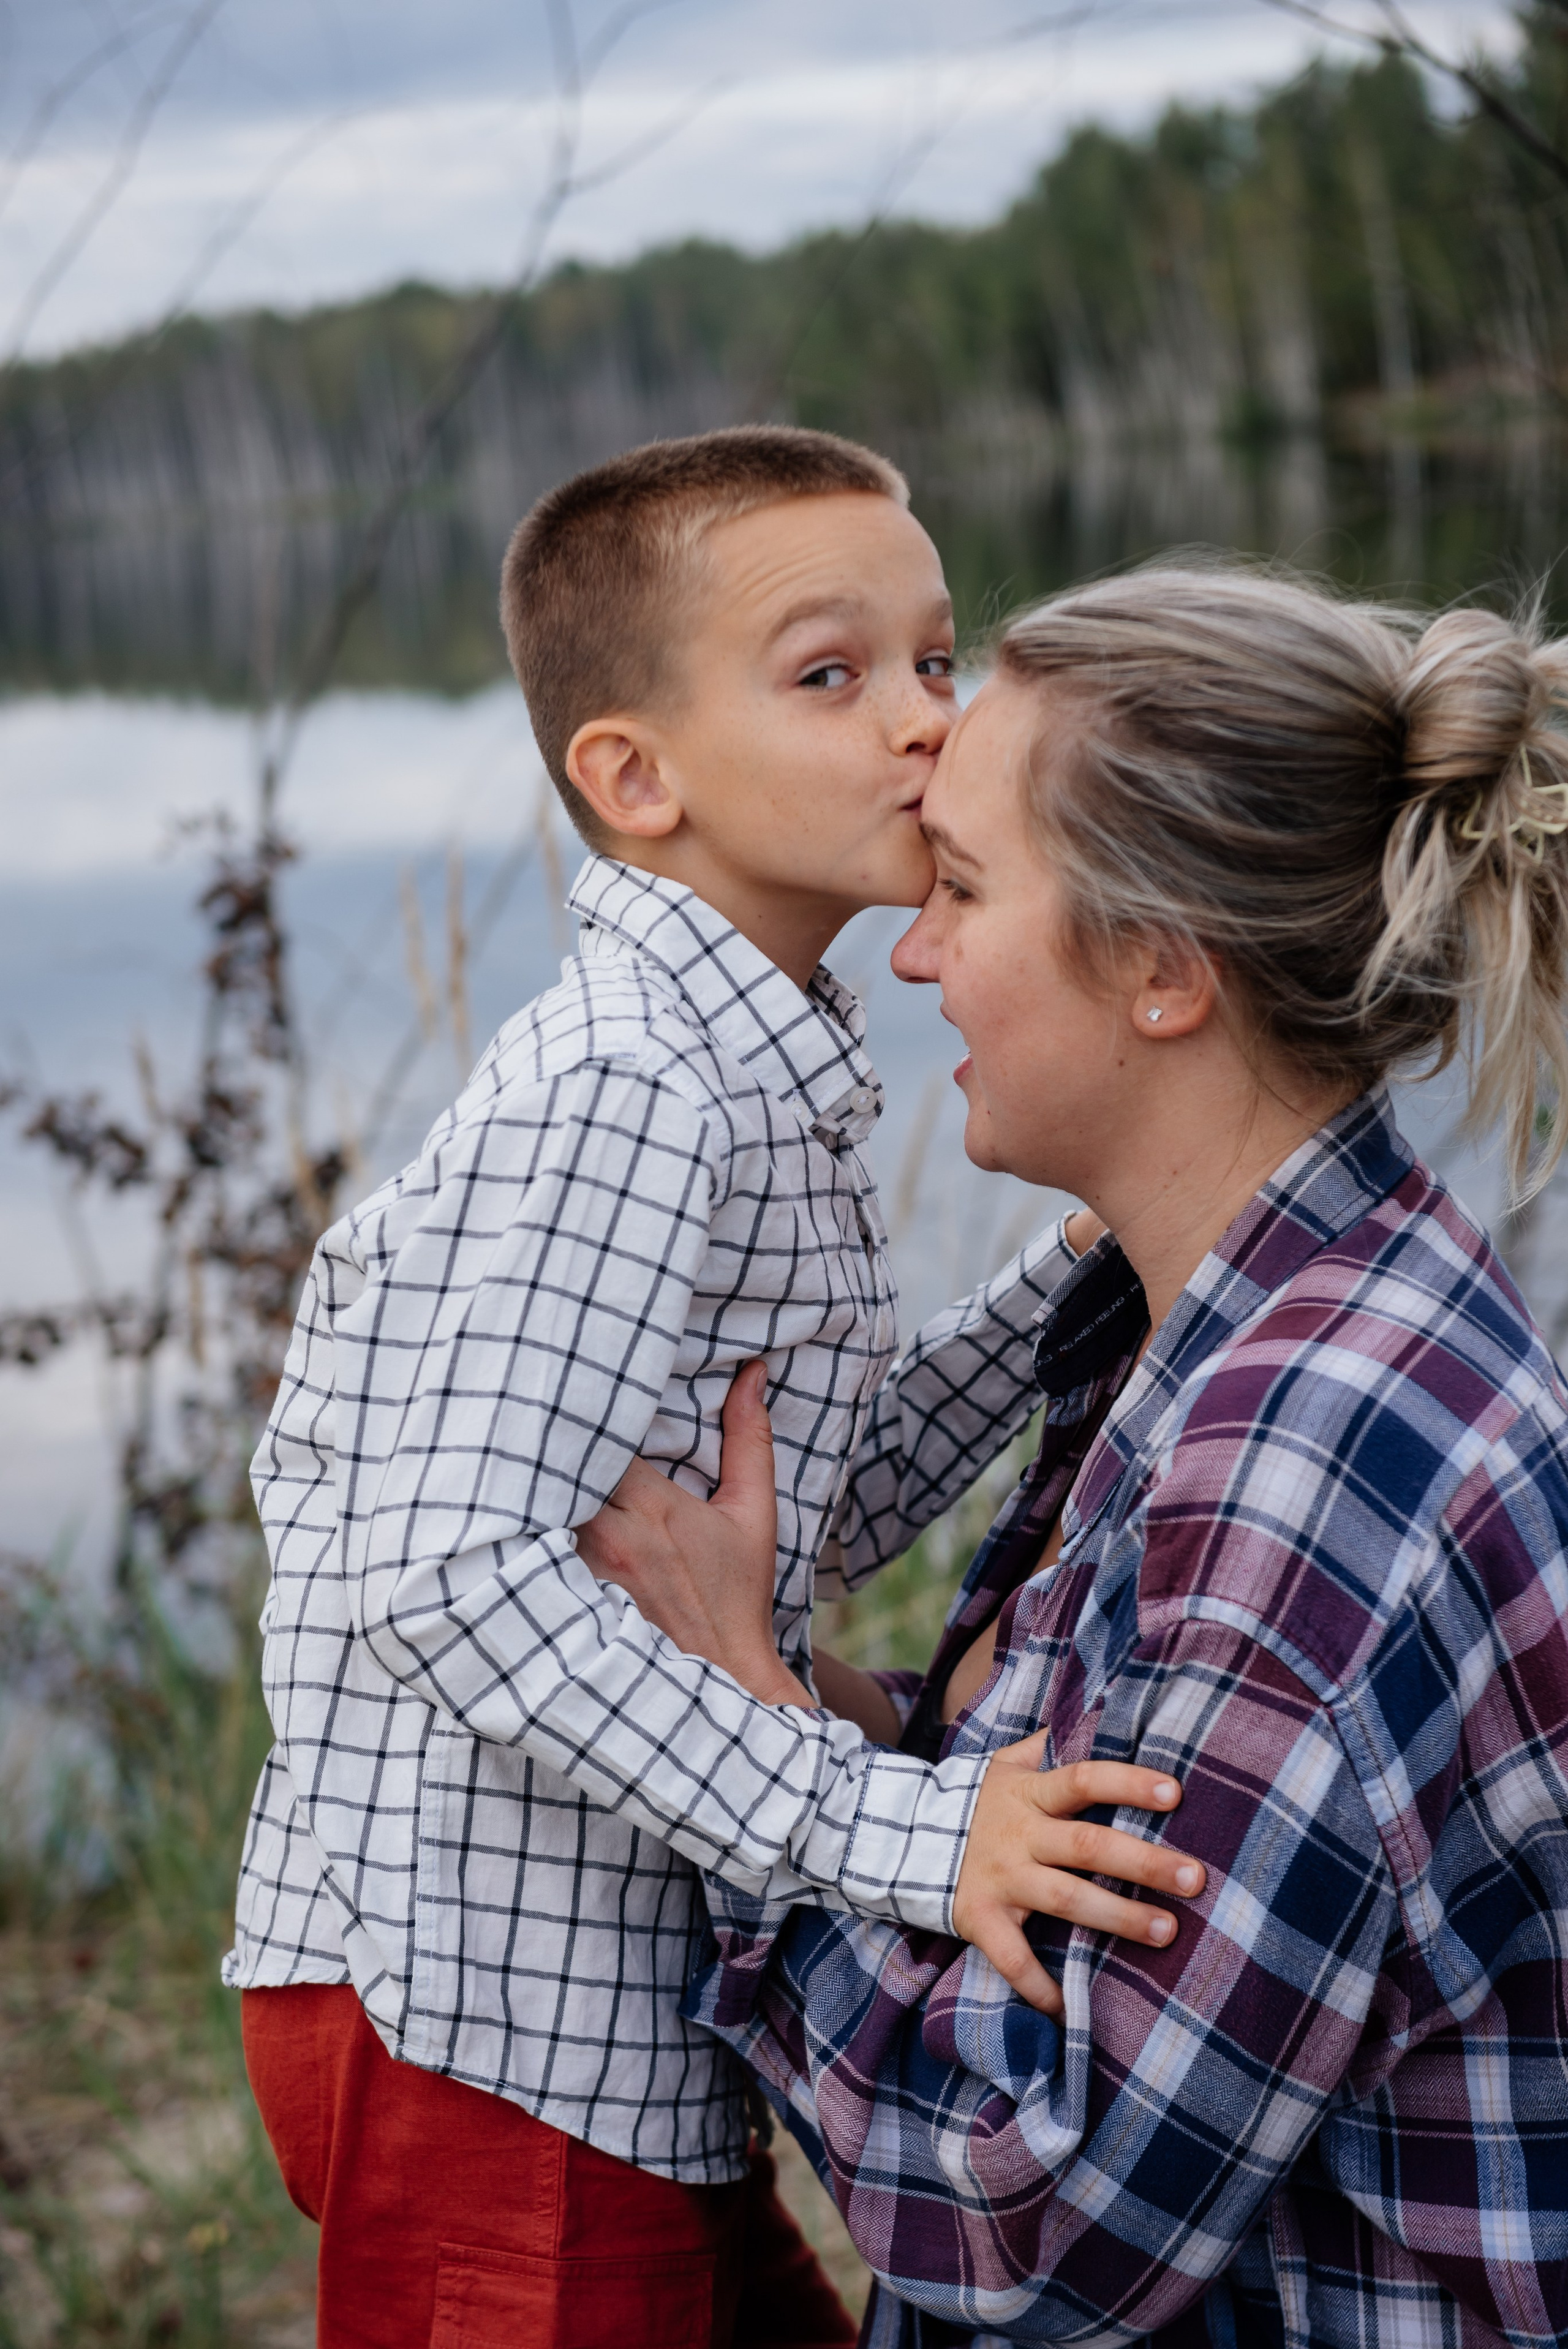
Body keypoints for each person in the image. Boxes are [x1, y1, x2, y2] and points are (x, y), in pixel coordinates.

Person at [225, 429, 1203, 2349]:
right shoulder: (634, 1090)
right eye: (831, 674)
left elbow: (797, 1514)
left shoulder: (754, 1067)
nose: (928, 722)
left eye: (940, 659)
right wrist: (902, 1830)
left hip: (598, 2019)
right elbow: (454, 1578)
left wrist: (1093, 1265)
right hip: (484, 2020)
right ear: (635, 776)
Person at [579, 564, 1568, 2348]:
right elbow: (1084, 1811)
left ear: (1164, 971)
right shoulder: (1241, 1314)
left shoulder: (1307, 1477)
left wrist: (747, 1741)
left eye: (961, 885)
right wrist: (876, 1734)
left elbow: (1024, 2201)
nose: (910, 945)